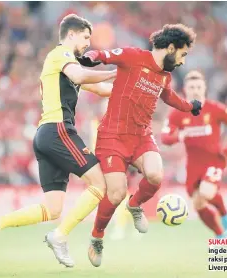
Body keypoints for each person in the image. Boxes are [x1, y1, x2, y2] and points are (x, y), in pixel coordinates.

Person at [0, 14, 116, 267]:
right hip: (58, 130)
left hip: (46, 135)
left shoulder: (68, 67)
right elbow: (83, 76)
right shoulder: (61, 55)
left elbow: (102, 89)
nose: (87, 43)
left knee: (53, 210)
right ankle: (60, 236)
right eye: (85, 37)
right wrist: (114, 71)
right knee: (99, 183)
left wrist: (136, 86)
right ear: (70, 35)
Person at [77, 24, 203, 267]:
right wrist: (90, 57)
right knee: (115, 194)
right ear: (170, 47)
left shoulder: (164, 76)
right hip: (112, 137)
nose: (182, 61)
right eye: (182, 54)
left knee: (155, 175)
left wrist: (190, 107)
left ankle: (135, 206)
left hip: (141, 136)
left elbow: (169, 96)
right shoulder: (133, 56)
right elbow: (104, 55)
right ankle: (97, 237)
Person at [161, 70, 227, 239]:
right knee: (198, 203)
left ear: (204, 87)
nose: (195, 90)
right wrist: (179, 136)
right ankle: (220, 235)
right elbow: (165, 137)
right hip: (193, 165)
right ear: (185, 89)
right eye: (192, 87)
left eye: (198, 86)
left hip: (214, 160)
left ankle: (224, 212)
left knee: (206, 192)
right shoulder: (178, 112)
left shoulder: (215, 109)